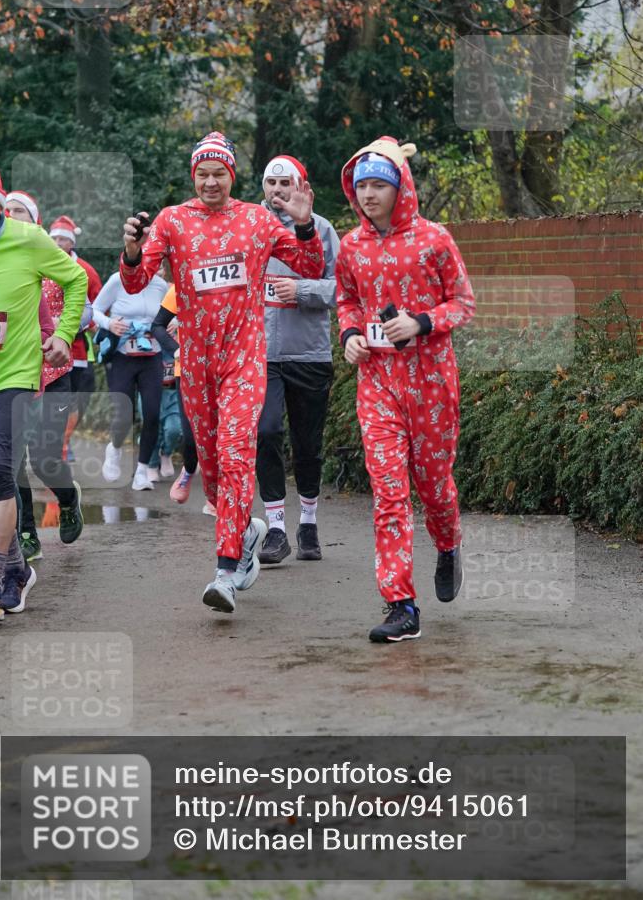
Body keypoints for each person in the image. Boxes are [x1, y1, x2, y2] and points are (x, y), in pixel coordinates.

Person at [120, 131, 324, 615]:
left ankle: (226, 570)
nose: (211, 181)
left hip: (244, 361)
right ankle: (248, 530)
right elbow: (135, 280)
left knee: (236, 456)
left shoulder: (256, 220)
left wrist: (304, 224)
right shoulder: (172, 221)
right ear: (194, 175)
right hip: (195, 363)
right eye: (203, 173)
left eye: (220, 173)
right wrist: (132, 250)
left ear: (232, 176)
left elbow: (310, 264)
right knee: (211, 471)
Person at [335, 137, 475, 644]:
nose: (368, 194)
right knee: (389, 494)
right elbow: (347, 300)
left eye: (379, 184)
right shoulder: (351, 246)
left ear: (400, 188)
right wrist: (351, 336)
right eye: (362, 185)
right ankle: (400, 605)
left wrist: (421, 322)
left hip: (433, 383)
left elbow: (463, 303)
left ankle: (448, 542)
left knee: (434, 485)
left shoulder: (435, 239)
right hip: (378, 385)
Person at [0, 161, 87, 621]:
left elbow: (76, 278)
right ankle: (17, 570)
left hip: (17, 375)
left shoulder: (28, 240)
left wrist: (63, 336)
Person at [256, 155, 339, 565]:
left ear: (301, 186)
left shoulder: (321, 229)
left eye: (285, 183)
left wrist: (301, 290)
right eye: (271, 183)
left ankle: (308, 520)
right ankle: (274, 529)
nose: (277, 191)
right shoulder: (250, 228)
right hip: (260, 356)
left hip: (309, 353)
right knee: (266, 432)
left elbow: (342, 289)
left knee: (307, 446)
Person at [93, 266, 168, 490]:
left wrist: (172, 323)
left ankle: (142, 472)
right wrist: (109, 323)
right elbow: (93, 309)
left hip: (152, 356)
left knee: (153, 414)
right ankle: (114, 449)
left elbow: (170, 314)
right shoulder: (118, 280)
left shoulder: (160, 285)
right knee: (123, 414)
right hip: (122, 357)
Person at [47, 215, 103, 449]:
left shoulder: (85, 270)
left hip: (78, 348)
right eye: (54, 238)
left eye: (63, 239)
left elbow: (98, 306)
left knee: (76, 398)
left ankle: (64, 441)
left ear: (72, 243)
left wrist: (84, 324)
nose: (58, 243)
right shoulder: (41, 264)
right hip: (44, 345)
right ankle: (53, 443)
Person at [150, 284, 202, 502]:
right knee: (190, 436)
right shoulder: (181, 285)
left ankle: (216, 497)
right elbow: (158, 325)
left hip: (224, 369)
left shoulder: (228, 283)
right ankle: (189, 470)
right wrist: (177, 349)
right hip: (188, 370)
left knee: (222, 436)